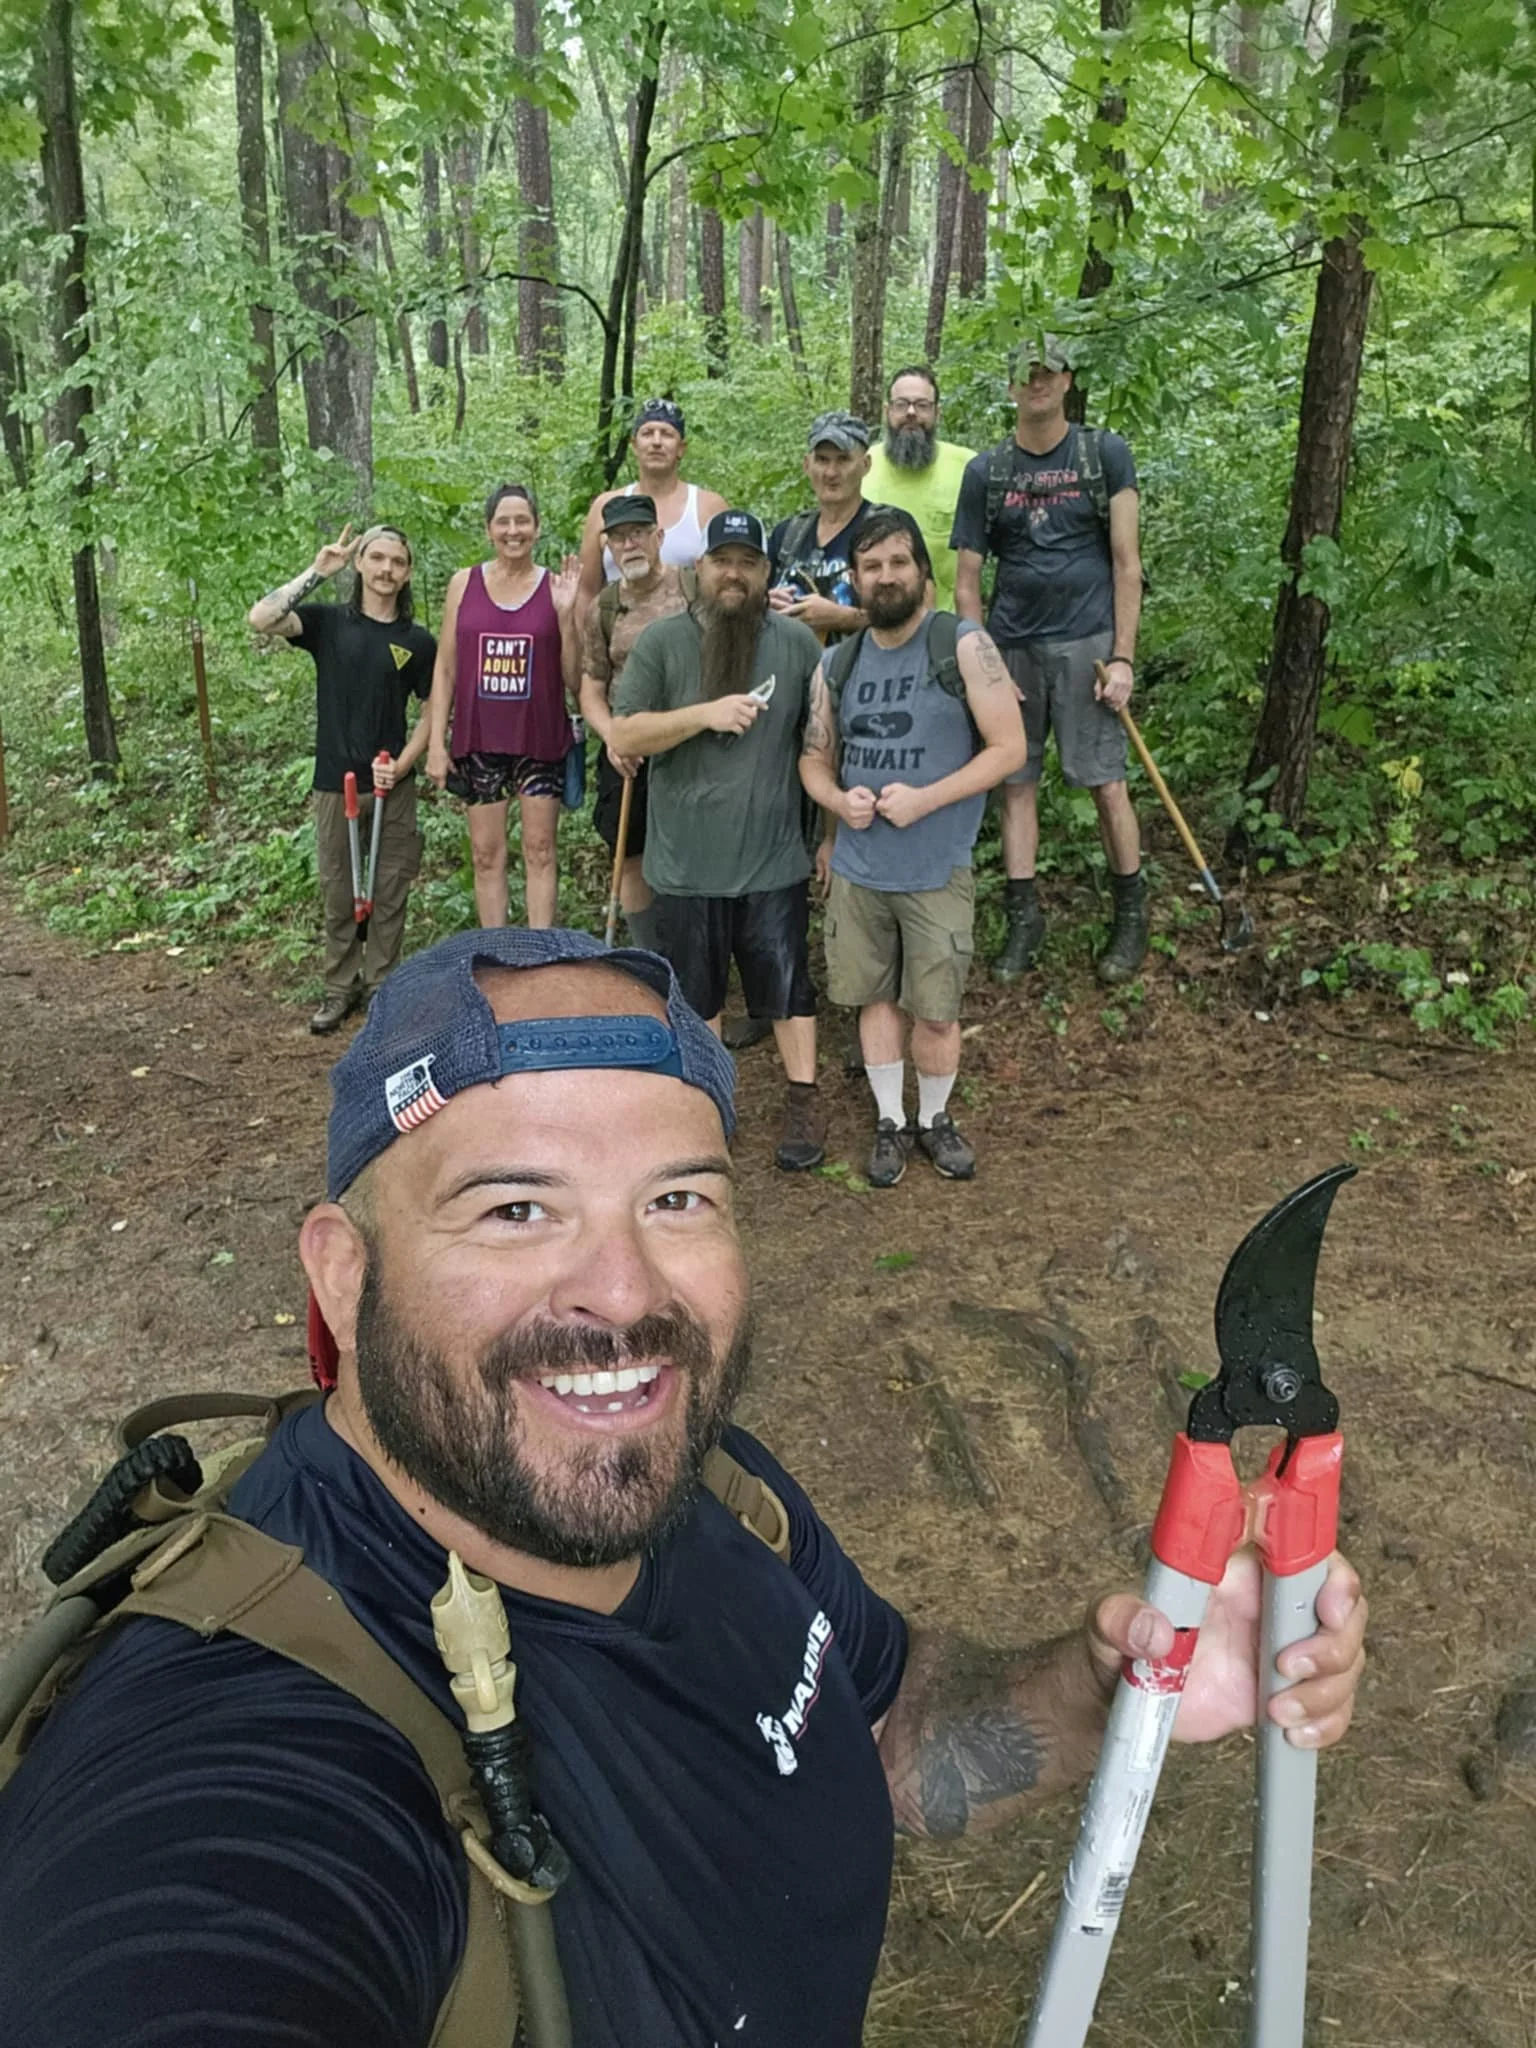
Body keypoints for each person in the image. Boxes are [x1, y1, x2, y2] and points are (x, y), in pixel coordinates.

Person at [0, 923, 1368, 2048]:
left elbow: (885, 1737)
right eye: (516, 1206)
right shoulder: (241, 1749)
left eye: (678, 1200)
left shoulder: (712, 1492)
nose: (624, 1293)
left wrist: (1117, 1682)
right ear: (342, 1277)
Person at [800, 509, 1026, 1185]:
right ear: (855, 582)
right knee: (873, 1001)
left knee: (936, 1007)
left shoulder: (962, 645)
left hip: (935, 867)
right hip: (860, 869)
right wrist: (839, 803)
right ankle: (889, 1122)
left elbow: (1010, 749)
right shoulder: (836, 663)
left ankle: (935, 1119)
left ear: (923, 576)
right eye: (871, 567)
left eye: (898, 563)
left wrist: (927, 799)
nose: (886, 577)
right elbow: (815, 761)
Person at [606, 510, 827, 1172]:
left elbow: (822, 745)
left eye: (748, 563)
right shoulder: (664, 643)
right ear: (699, 568)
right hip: (685, 864)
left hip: (773, 858)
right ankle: (708, 1106)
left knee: (788, 991)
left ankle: (803, 1102)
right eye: (722, 560)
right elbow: (625, 736)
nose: (734, 573)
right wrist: (704, 714)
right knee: (697, 997)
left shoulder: (796, 645)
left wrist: (830, 837)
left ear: (764, 573)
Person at [951, 337, 1147, 986]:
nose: (1036, 383)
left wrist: (1122, 657)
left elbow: (1127, 563)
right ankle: (1023, 917)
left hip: (1089, 644)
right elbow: (967, 583)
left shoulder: (1104, 455)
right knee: (1016, 784)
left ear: (1067, 381)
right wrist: (986, 667)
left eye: (1048, 372)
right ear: (1010, 388)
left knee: (1105, 780)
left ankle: (1131, 912)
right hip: (1012, 647)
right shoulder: (988, 471)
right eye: (1024, 374)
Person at [247, 522, 436, 1034]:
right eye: (377, 558)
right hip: (336, 781)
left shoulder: (417, 641)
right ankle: (338, 988)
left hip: (389, 783)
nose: (386, 570)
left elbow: (435, 710)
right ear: (360, 563)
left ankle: (381, 987)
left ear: (408, 572)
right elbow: (262, 617)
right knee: (338, 888)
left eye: (397, 562)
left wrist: (405, 763)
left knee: (391, 886)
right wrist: (316, 571)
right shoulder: (328, 624)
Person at [426, 484, 581, 930]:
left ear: (536, 527)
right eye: (504, 522)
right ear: (489, 529)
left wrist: (568, 617)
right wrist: (437, 743)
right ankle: (495, 952)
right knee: (486, 854)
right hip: (479, 739)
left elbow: (574, 677)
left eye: (522, 521)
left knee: (540, 850)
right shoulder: (463, 584)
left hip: (540, 739)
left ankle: (538, 953)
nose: (514, 531)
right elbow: (446, 669)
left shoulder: (556, 587)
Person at [577, 494, 688, 953]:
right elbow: (591, 687)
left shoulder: (694, 590)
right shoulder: (603, 607)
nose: (631, 544)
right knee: (631, 856)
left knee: (688, 855)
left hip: (688, 748)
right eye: (620, 537)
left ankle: (693, 960)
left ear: (659, 536)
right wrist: (612, 737)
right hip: (627, 752)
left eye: (639, 533)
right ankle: (650, 956)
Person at [575, 398, 728, 627]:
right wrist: (585, 652)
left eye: (666, 434)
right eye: (647, 433)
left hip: (692, 648)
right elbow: (586, 592)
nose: (656, 442)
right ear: (634, 445)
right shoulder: (606, 507)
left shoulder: (708, 507)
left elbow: (727, 585)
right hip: (619, 649)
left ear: (681, 448)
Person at [862, 365, 975, 612]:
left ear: (937, 412)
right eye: (901, 404)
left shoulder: (969, 468)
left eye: (922, 405)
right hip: (871, 629)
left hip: (947, 630)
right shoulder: (862, 466)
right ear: (887, 411)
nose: (911, 412)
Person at [766, 411, 882, 645]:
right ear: (807, 465)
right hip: (791, 673)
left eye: (843, 459)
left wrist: (844, 618)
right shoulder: (787, 536)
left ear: (865, 464)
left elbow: (918, 613)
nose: (831, 472)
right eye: (822, 460)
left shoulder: (886, 529)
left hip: (864, 673)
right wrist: (764, 604)